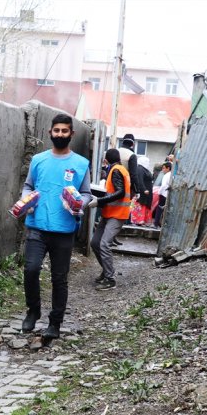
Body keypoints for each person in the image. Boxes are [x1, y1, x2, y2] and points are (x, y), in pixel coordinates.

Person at [19, 113, 92, 348]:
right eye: (56, 130)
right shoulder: (38, 160)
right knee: (30, 270)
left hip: (64, 229)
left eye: (64, 131)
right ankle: (33, 310)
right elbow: (28, 185)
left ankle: (55, 323)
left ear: (72, 134)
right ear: (50, 132)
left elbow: (88, 193)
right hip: (37, 226)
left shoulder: (80, 164)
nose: (60, 134)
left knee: (59, 279)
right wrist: (25, 200)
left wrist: (79, 202)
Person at [88, 149, 131, 290]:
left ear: (105, 160)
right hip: (110, 213)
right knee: (95, 243)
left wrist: (100, 201)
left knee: (104, 244)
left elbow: (120, 192)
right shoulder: (119, 169)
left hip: (117, 214)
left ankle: (110, 279)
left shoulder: (116, 170)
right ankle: (106, 271)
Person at [132, 155, 154, 226]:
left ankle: (142, 220)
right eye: (147, 161)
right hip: (142, 192)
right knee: (140, 205)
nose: (148, 163)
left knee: (144, 205)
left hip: (147, 192)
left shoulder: (144, 169)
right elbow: (140, 180)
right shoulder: (140, 169)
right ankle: (138, 220)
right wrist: (144, 189)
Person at [153, 161, 172, 228]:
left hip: (163, 194)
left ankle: (156, 223)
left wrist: (159, 192)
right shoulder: (171, 175)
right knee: (165, 209)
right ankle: (161, 224)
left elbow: (163, 185)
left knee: (159, 209)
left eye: (164, 168)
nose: (162, 170)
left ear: (168, 168)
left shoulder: (166, 175)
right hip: (167, 194)